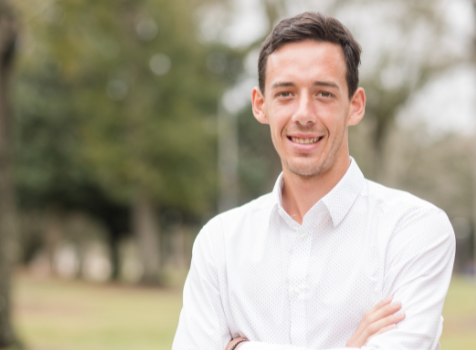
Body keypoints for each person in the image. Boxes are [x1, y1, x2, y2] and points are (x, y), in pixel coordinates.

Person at [172, 11, 455, 350]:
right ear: (261, 106)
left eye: (323, 94)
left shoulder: (413, 229)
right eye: (285, 94)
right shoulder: (219, 243)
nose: (304, 114)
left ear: (355, 105)